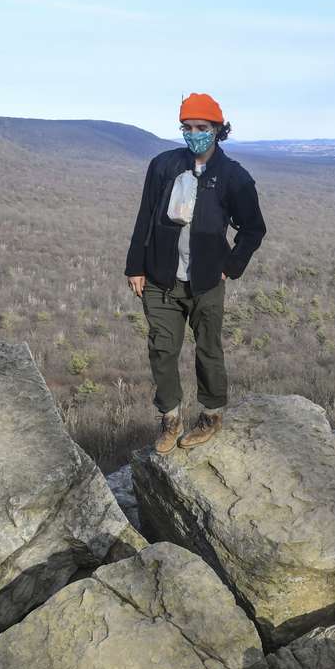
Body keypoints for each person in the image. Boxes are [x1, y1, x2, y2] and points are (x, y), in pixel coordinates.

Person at [124, 93, 266, 453]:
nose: (193, 134)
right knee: (162, 349)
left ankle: (211, 416)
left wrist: (230, 268)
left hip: (205, 281)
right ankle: (170, 420)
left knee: (208, 351)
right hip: (160, 277)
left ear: (217, 129)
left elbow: (253, 229)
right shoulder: (163, 166)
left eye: (201, 128)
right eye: (187, 128)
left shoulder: (234, 177)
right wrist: (135, 267)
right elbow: (145, 216)